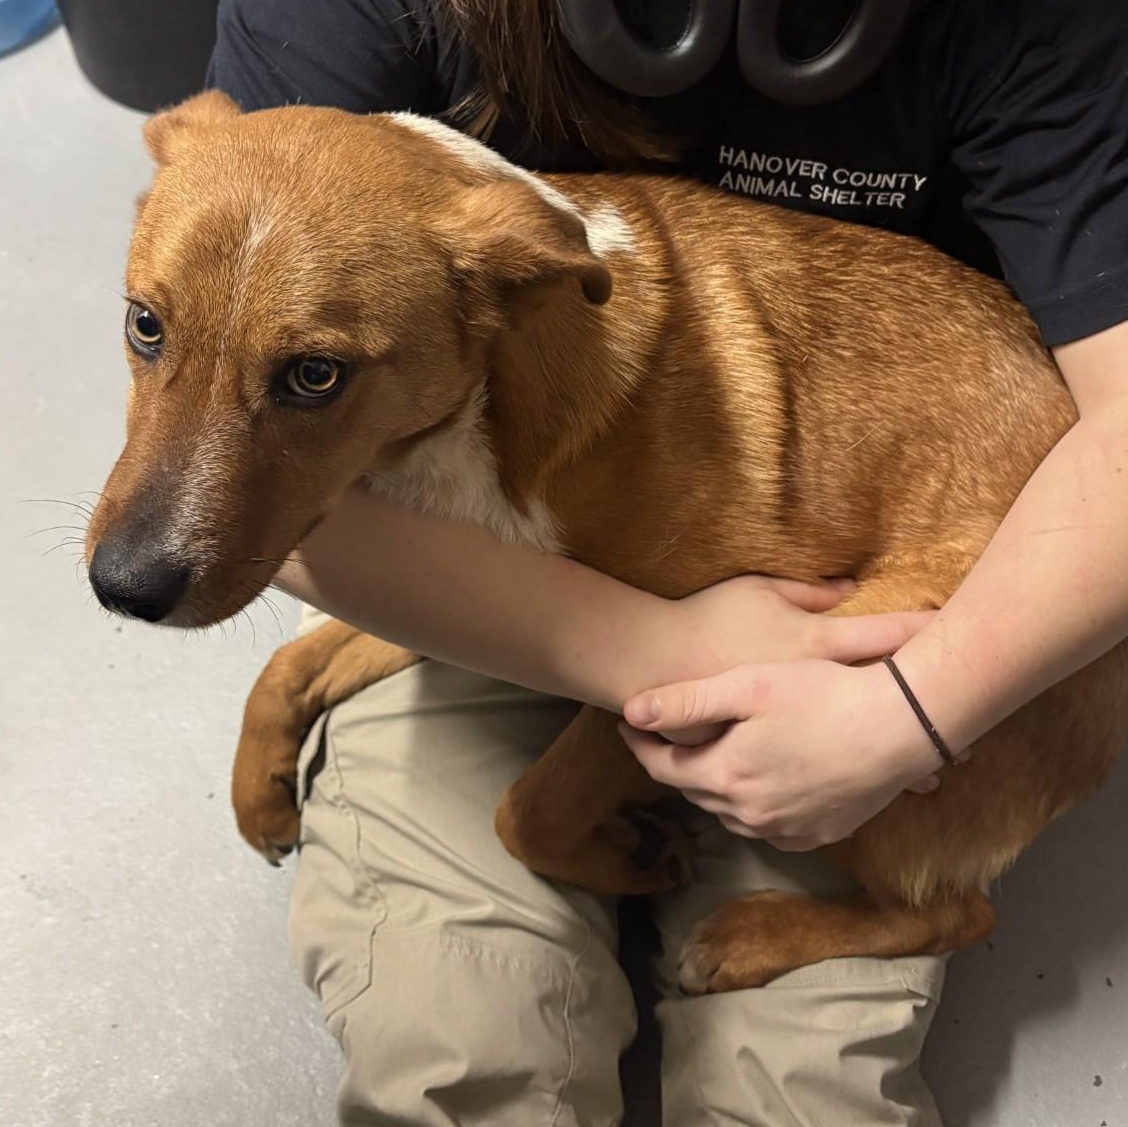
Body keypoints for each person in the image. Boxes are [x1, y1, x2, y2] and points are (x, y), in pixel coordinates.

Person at [207, 1, 1128, 1123]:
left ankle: (916, 907)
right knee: (461, 1056)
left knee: (805, 1097)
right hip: (453, 560)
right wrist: (666, 651)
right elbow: (216, 452)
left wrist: (906, 714)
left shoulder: (1053, 29)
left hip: (880, 632)